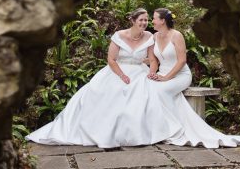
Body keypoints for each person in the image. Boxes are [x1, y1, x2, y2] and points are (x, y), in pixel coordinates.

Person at [25, 8, 182, 148]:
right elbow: (111, 60)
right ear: (133, 21)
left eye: (146, 20)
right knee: (104, 93)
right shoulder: (119, 36)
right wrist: (122, 75)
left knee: (143, 94)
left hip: (140, 72)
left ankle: (139, 133)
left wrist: (151, 72)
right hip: (117, 71)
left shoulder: (149, 36)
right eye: (141, 20)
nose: (144, 23)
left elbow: (153, 60)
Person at [149, 8, 240, 148]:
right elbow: (153, 60)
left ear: (163, 21)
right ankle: (155, 129)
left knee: (161, 91)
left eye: (154, 18)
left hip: (179, 75)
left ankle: (172, 130)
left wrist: (166, 78)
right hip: (162, 74)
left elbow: (182, 61)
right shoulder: (155, 37)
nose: (152, 21)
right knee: (147, 88)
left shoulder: (176, 35)